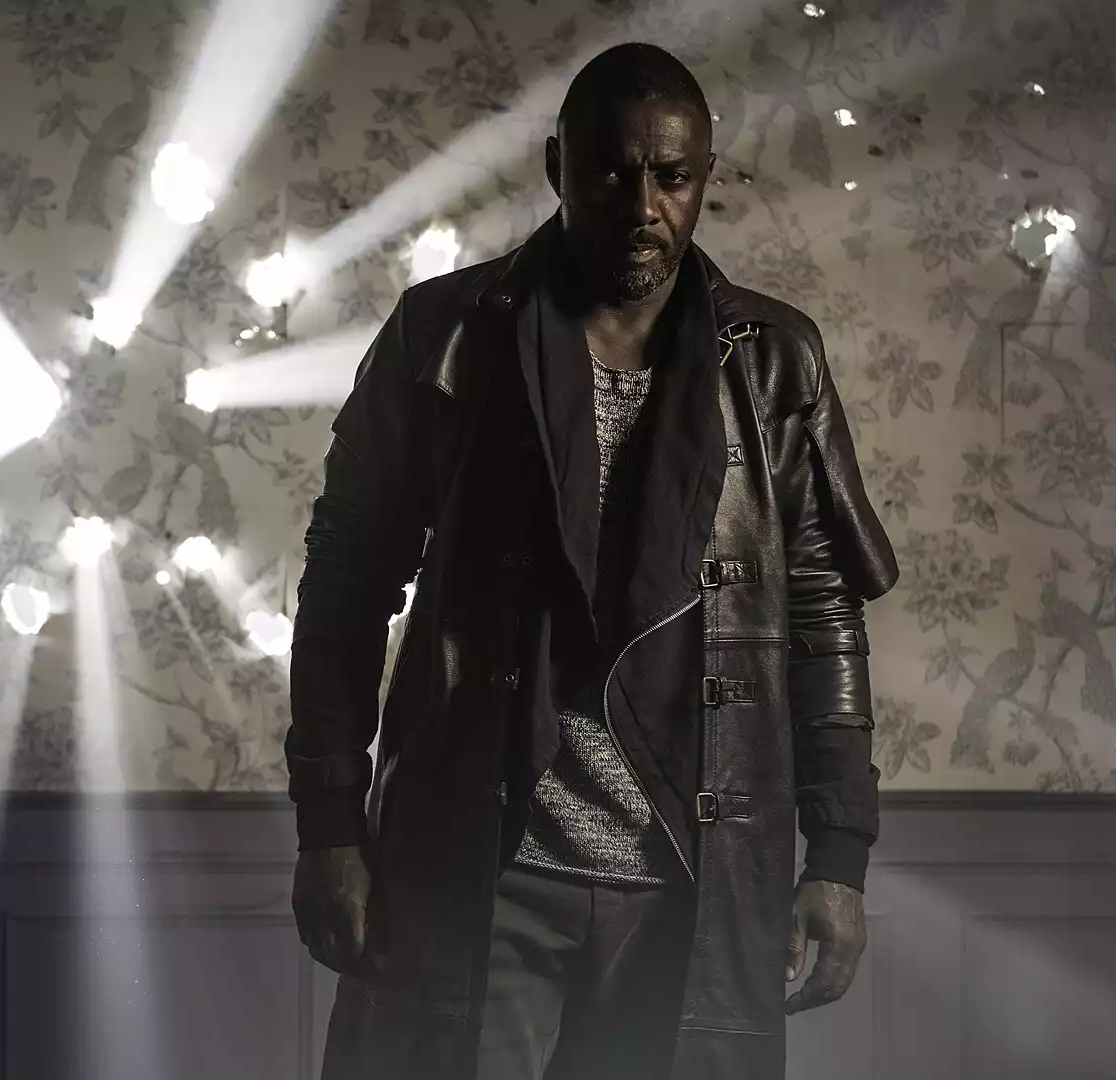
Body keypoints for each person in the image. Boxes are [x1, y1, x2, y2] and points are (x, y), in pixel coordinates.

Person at [286, 41, 899, 1080]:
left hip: (689, 881)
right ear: (556, 168)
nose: (643, 207)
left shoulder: (775, 360)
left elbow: (822, 612)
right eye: (611, 173)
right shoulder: (445, 334)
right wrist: (329, 828)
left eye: (673, 177)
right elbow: (346, 585)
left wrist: (839, 855)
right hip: (482, 864)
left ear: (705, 179)